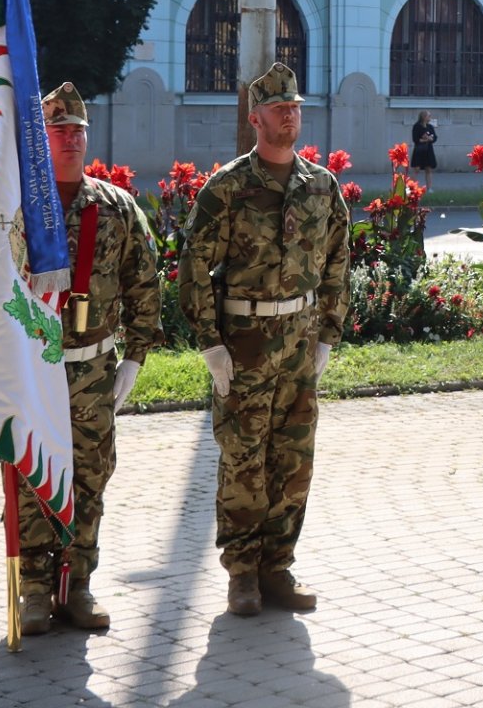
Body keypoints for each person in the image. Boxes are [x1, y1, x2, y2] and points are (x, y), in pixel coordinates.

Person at [180, 62, 350, 616]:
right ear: (256, 119)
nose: (290, 116)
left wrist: (328, 335)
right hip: (245, 342)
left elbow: (338, 263)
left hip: (300, 342)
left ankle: (278, 567)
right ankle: (242, 575)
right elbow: (194, 265)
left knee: (294, 459)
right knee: (243, 459)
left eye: (295, 107)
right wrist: (210, 343)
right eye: (279, 109)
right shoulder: (228, 188)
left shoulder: (320, 186)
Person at [18, 82, 162, 634]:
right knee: (33, 474)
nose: (71, 139)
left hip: (94, 367)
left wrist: (135, 358)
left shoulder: (115, 207)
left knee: (90, 476)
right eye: (59, 131)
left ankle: (76, 584)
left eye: (78, 130)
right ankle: (35, 589)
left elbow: (143, 283)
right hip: (35, 365)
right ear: (41, 139)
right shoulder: (17, 207)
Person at [410, 111, 438, 176]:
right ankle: (410, 182)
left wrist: (431, 139)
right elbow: (415, 139)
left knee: (428, 169)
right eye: (429, 116)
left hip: (428, 150)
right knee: (417, 169)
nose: (430, 117)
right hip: (419, 150)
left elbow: (434, 137)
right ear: (424, 117)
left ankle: (429, 183)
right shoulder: (417, 126)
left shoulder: (430, 126)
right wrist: (425, 139)